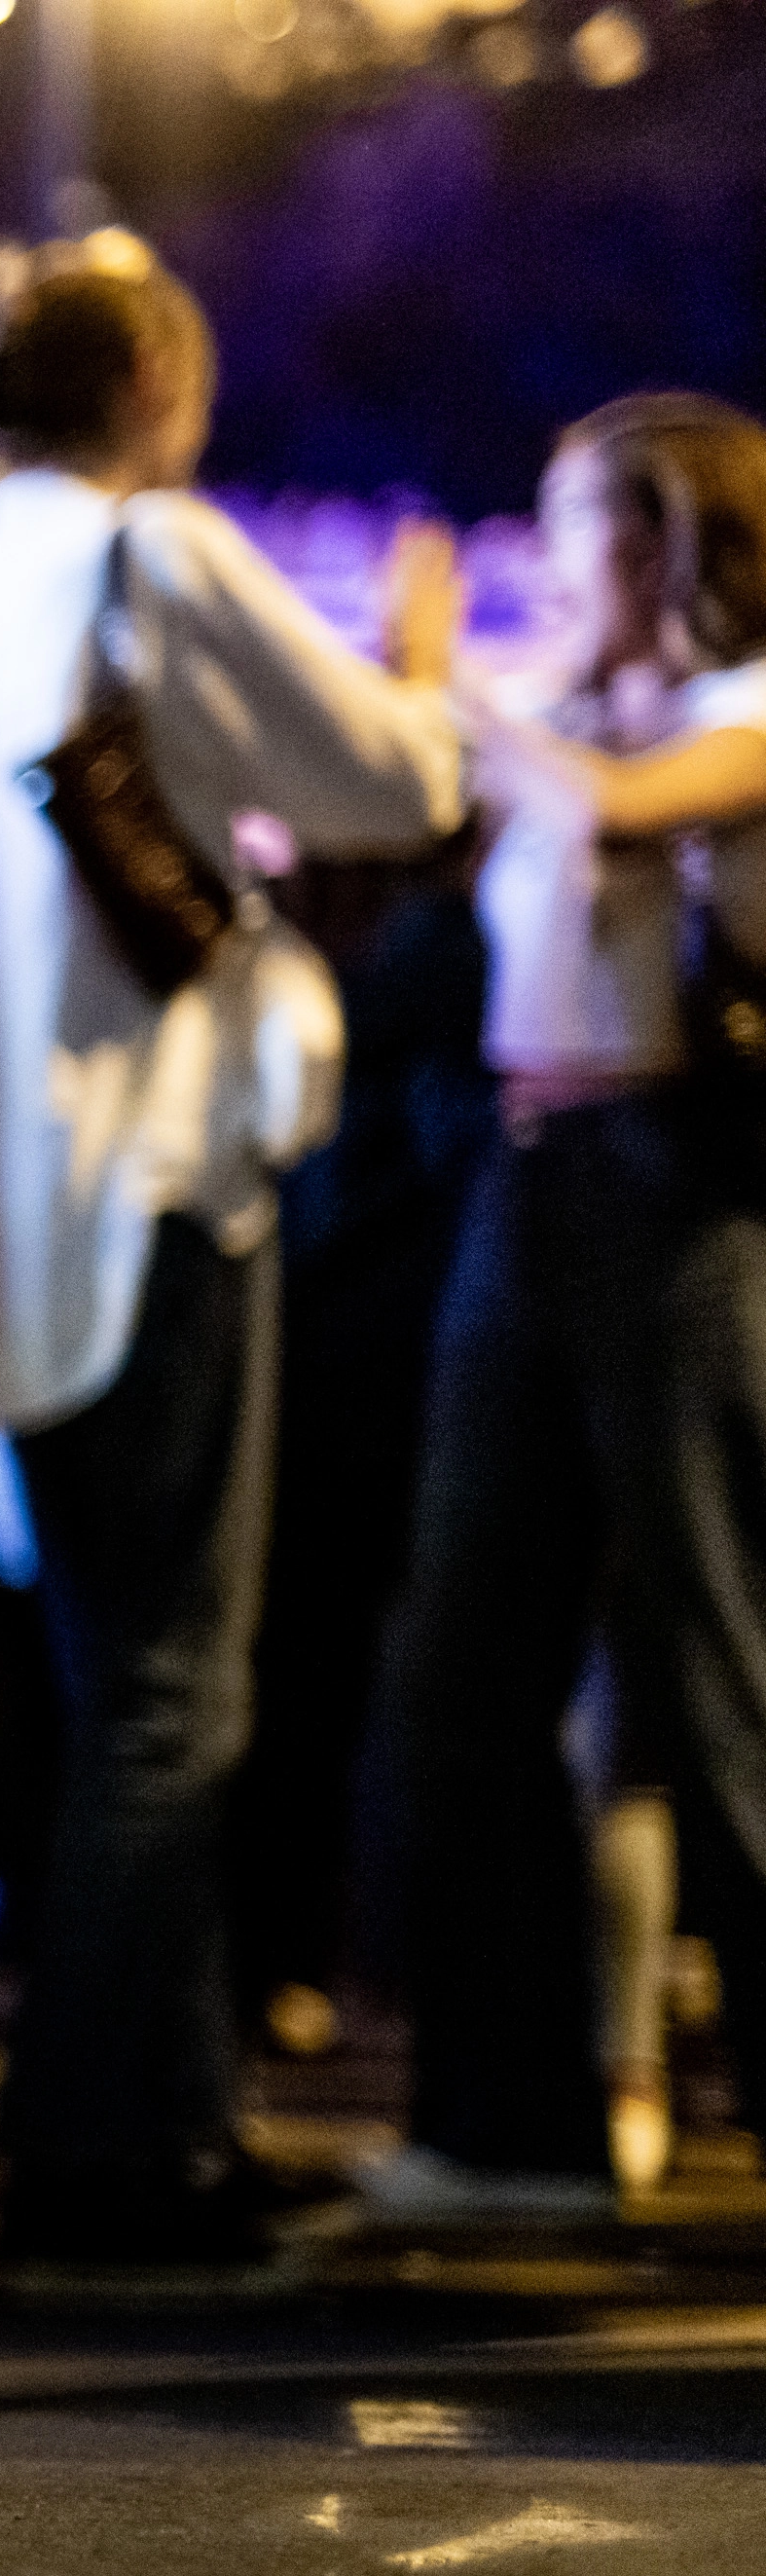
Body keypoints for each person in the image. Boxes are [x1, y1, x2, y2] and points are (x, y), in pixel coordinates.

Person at [0, 233, 466, 2297]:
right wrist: (426, 656)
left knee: (105, 1687)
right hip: (151, 1194)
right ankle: (113, 2162)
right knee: (170, 1692)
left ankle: (140, 2119)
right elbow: (392, 774)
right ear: (162, 387)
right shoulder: (148, 559)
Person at [364, 393, 766, 2225]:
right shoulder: (556, 719)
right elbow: (428, 821)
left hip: (678, 1193)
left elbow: (609, 809)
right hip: (528, 1181)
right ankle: (505, 2118)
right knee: (468, 1649)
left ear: (672, 542)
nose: (545, 564)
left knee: (713, 1662)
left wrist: (451, 682)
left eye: (574, 524)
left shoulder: (733, 715)